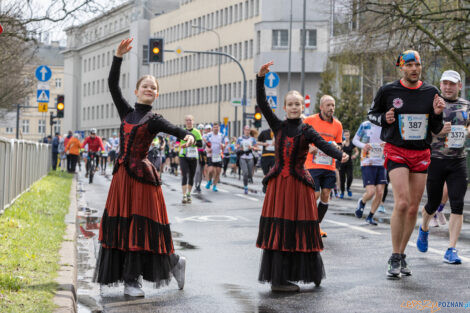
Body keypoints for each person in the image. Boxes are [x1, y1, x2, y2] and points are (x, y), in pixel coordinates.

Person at [93, 39, 194, 297]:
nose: (149, 89)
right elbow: (112, 85)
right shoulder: (125, 112)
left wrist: (188, 135)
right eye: (145, 86)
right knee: (123, 228)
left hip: (141, 181)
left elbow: (174, 129)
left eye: (153, 87)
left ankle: (135, 279)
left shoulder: (154, 119)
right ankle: (172, 262)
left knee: (141, 229)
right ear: (137, 90)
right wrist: (117, 57)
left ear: (156, 94)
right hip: (121, 180)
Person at [256, 61, 348, 292]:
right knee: (281, 230)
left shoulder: (307, 129)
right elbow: (262, 103)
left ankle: (303, 273)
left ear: (302, 107)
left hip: (298, 185)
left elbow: (324, 145)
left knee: (301, 229)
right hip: (279, 185)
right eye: (290, 104)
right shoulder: (277, 125)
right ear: (285, 107)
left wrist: (340, 154)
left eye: (297, 104)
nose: (294, 107)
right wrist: (260, 78)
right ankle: (278, 280)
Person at [367, 50, 445, 278]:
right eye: (409, 65)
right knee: (401, 202)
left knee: (413, 207)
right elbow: (372, 114)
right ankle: (393, 255)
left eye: (417, 64)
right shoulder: (389, 91)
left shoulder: (431, 91)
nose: (414, 68)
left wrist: (438, 113)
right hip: (397, 150)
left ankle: (401, 254)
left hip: (420, 152)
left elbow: (437, 128)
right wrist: (384, 119)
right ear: (401, 67)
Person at [416, 70, 469, 264]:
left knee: (457, 204)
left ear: (459, 86)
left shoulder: (466, 105)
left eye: (452, 84)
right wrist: (438, 132)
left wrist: (467, 130)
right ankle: (424, 229)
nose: (448, 87)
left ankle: (451, 249)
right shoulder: (433, 105)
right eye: (445, 83)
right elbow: (422, 132)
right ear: (440, 84)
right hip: (436, 160)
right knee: (432, 203)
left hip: (458, 161)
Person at [303, 95, 343, 238]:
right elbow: (299, 139)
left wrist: (337, 147)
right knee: (315, 194)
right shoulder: (309, 121)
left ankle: (316, 225)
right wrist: (308, 147)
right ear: (321, 107)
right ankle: (307, 224)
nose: (331, 108)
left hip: (329, 165)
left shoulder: (337, 125)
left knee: (326, 196)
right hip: (312, 164)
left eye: (333, 105)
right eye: (328, 105)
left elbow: (339, 144)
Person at [352, 120, 387, 225]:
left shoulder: (386, 124)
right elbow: (355, 140)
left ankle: (370, 216)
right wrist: (363, 145)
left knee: (380, 192)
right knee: (371, 192)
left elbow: (393, 140)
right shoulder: (365, 125)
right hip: (368, 161)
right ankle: (362, 201)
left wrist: (387, 143)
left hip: (382, 162)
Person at [179, 115, 203, 203]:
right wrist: (179, 145)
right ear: (185, 122)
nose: (189, 122)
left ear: (193, 121)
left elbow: (200, 144)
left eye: (190, 120)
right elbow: (178, 141)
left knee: (192, 176)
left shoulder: (196, 132)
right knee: (184, 174)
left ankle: (189, 194)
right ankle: (184, 195)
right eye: (187, 120)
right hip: (183, 155)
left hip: (193, 156)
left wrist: (192, 143)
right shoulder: (182, 131)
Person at [237, 125, 258, 194]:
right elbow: (236, 147)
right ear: (244, 130)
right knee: (245, 173)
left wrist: (252, 147)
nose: (247, 131)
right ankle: (245, 187)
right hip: (242, 157)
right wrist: (240, 148)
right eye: (246, 130)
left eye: (248, 130)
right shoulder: (240, 138)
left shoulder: (252, 139)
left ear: (249, 131)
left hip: (250, 157)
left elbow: (256, 148)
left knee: (249, 174)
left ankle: (249, 178)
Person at [204, 122, 225, 192]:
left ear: (219, 128)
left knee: (218, 172)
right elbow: (205, 143)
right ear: (213, 128)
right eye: (215, 127)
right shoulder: (208, 135)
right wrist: (208, 149)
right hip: (210, 155)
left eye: (217, 127)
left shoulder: (221, 135)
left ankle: (215, 186)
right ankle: (209, 181)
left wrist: (223, 146)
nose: (216, 129)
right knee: (211, 170)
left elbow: (224, 145)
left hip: (218, 155)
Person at [339, 130, 358, 198]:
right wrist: (342, 146)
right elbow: (338, 151)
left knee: (350, 177)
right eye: (345, 135)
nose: (346, 136)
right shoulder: (342, 143)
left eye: (348, 135)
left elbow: (356, 151)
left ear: (349, 135)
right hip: (342, 162)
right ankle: (342, 192)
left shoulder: (352, 143)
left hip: (349, 162)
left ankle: (348, 188)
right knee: (342, 179)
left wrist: (355, 155)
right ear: (343, 136)